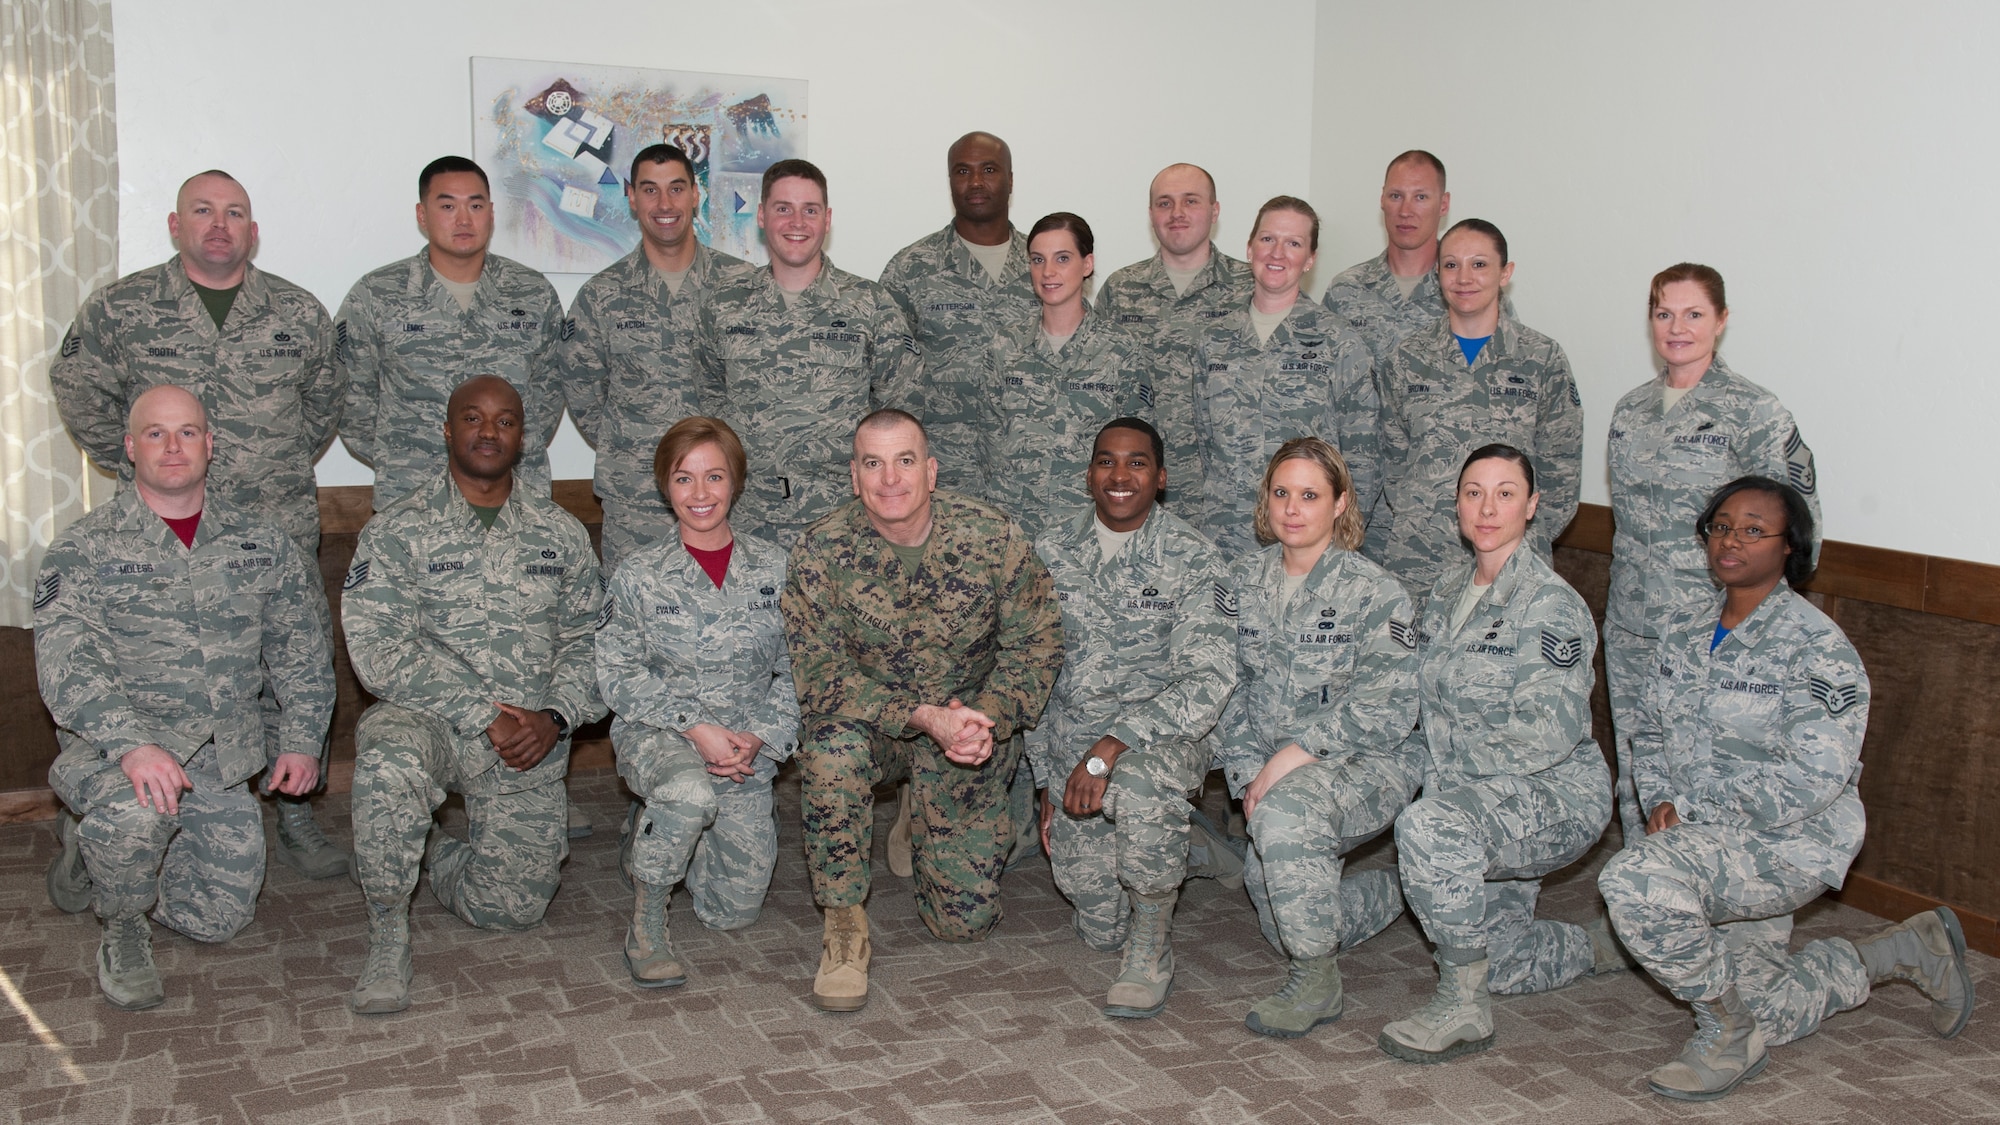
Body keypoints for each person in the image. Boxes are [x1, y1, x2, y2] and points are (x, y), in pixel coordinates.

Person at [1599, 477, 1972, 1101]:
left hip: (1789, 844)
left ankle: (1727, 1034)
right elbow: (1649, 731)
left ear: (1790, 546)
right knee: (1770, 1010)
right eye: (1721, 527)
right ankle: (1906, 949)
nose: (1731, 541)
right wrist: (1662, 800)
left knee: (1635, 881)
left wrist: (1692, 809)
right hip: (1703, 838)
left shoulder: (1817, 648)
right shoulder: (1682, 628)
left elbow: (1813, 778)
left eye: (1753, 530)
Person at [49, 168, 347, 881]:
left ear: (253, 230)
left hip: (269, 524)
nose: (220, 225)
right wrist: (149, 467)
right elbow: (80, 391)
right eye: (203, 211)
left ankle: (294, 806)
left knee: (286, 663)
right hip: (157, 532)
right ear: (175, 226)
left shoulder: (299, 312)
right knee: (148, 669)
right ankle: (102, 809)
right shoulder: (120, 308)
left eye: (234, 212)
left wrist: (262, 469)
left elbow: (324, 406)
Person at [35, 385, 334, 1010]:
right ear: (129, 447)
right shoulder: (84, 547)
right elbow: (67, 665)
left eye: (187, 432)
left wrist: (302, 741)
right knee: (137, 815)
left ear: (210, 444)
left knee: (219, 918)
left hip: (216, 757)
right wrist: (132, 747)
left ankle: (94, 850)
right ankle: (122, 925)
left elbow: (301, 652)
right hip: (116, 750)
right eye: (155, 433)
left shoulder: (262, 543)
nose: (172, 447)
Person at [340, 375, 605, 1015]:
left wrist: (556, 717)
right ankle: (387, 932)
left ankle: (430, 851)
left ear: (524, 436)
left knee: (511, 909)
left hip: (525, 738)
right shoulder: (396, 530)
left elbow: (592, 643)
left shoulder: (561, 532)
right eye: (473, 418)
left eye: (505, 420)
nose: (489, 432)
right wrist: (481, 713)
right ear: (447, 429)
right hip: (427, 721)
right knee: (387, 764)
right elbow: (377, 649)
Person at [782, 409, 1062, 1013]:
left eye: (904, 461)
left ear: (931, 471)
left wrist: (985, 717)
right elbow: (821, 677)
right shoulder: (820, 550)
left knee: (963, 925)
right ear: (854, 476)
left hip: (966, 734)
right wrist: (921, 716)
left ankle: (923, 808)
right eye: (873, 463)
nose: (890, 479)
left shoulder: (992, 537)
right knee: (830, 751)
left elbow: (1037, 643)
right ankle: (843, 925)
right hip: (875, 729)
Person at [1378, 444, 1611, 1064]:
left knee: (1429, 829)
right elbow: (1419, 700)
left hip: (1554, 794)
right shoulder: (1446, 589)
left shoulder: (1550, 604)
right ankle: (1606, 946)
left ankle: (1462, 1007)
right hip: (1481, 797)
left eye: (1505, 494)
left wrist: (1440, 785)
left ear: (1532, 507)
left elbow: (1546, 733)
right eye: (1473, 492)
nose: (1487, 508)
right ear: (1457, 504)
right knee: (1504, 962)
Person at [1603, 264, 1821, 842]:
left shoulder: (1755, 411)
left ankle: (1707, 889)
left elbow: (1800, 528)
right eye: (1664, 313)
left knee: (1709, 773)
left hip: (1713, 628)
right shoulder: (1630, 410)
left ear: (1721, 321)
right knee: (1639, 772)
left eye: (1694, 313)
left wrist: (1757, 624)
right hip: (1633, 624)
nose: (1677, 328)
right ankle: (1641, 882)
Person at [1028, 419, 1236, 1019]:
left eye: (1137, 463)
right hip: (1075, 754)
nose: (1120, 475)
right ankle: (1189, 846)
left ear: (1161, 477)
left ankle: (1151, 949)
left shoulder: (1194, 557)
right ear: (1089, 473)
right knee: (1098, 926)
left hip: (1166, 739)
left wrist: (1114, 744)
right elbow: (1035, 671)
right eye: (1107, 461)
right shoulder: (1050, 551)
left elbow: (1208, 679)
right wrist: (1046, 779)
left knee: (1142, 786)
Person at [1219, 437, 1419, 1038]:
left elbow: (1387, 710)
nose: (1292, 508)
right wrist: (1247, 777)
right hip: (1270, 769)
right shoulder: (1239, 583)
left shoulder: (1377, 593)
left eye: (1310, 495)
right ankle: (1399, 890)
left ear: (1340, 503)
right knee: (1278, 915)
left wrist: (1292, 757)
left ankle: (1317, 981)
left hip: (1369, 763)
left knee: (1286, 823)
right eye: (1281, 492)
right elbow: (1225, 688)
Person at [595, 416, 798, 987]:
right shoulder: (639, 574)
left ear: (736, 482)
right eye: (684, 478)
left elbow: (800, 669)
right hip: (661, 734)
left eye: (715, 476)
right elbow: (616, 673)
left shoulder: (776, 568)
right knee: (686, 793)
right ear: (666, 486)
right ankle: (647, 923)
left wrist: (759, 736)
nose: (700, 493)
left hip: (744, 750)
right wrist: (694, 727)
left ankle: (659, 827)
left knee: (731, 913)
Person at [696, 159, 923, 546]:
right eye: (783, 208)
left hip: (844, 519)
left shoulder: (870, 304)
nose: (797, 222)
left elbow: (901, 409)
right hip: (746, 516)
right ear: (762, 215)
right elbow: (709, 397)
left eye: (810, 210)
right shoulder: (724, 304)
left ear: (827, 219)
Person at [558, 144, 752, 572]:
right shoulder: (601, 295)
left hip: (726, 501)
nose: (664, 204)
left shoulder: (744, 286)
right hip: (636, 501)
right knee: (633, 610)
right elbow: (583, 393)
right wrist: (635, 445)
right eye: (650, 190)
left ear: (696, 194)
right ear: (631, 196)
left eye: (676, 188)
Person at [1373, 219, 1582, 613]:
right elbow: (1392, 461)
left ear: (1506, 273)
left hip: (1510, 564)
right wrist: (1426, 514)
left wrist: (1518, 536)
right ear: (1437, 274)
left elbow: (1561, 470)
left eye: (1480, 264)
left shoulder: (1541, 358)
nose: (1464, 277)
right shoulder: (1407, 358)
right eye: (1451, 265)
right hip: (1420, 560)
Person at [337, 156, 564, 509]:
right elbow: (351, 402)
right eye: (447, 206)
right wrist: (404, 452)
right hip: (412, 496)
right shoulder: (376, 294)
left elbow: (549, 394)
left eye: (475, 205)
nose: (463, 219)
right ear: (422, 215)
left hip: (513, 497)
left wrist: (497, 452)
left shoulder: (533, 292)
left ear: (491, 213)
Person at [1192, 196, 1379, 558]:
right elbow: (1207, 446)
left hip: (1307, 542)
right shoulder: (1214, 340)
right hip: (1225, 539)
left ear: (1310, 259)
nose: (1277, 253)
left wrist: (1341, 541)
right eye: (1267, 239)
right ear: (1250, 248)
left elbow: (1363, 457)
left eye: (1293, 243)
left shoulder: (1338, 341)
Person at [977, 212, 1155, 535]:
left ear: (1087, 264)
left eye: (1062, 258)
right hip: (1014, 527)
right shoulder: (1005, 345)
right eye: (1038, 259)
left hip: (1087, 528)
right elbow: (989, 443)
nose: (1048, 272)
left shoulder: (1120, 349)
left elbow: (1138, 449)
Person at [879, 131, 1037, 493]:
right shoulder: (911, 268)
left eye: (989, 169)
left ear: (1011, 180)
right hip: (941, 477)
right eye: (963, 171)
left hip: (1030, 473)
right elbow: (886, 379)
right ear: (950, 181)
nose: (976, 182)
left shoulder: (1045, 264)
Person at [1098, 164, 1251, 511]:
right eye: (1165, 203)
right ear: (1151, 213)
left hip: (1225, 493)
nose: (1177, 213)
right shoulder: (1121, 290)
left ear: (1214, 211)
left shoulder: (1249, 288)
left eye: (1191, 201)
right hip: (1135, 493)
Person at [1321, 150, 1453, 371]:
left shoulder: (1468, 290)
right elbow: (1323, 373)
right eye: (1396, 196)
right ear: (1382, 199)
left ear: (1443, 204)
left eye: (1420, 197)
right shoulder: (1345, 290)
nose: (1405, 211)